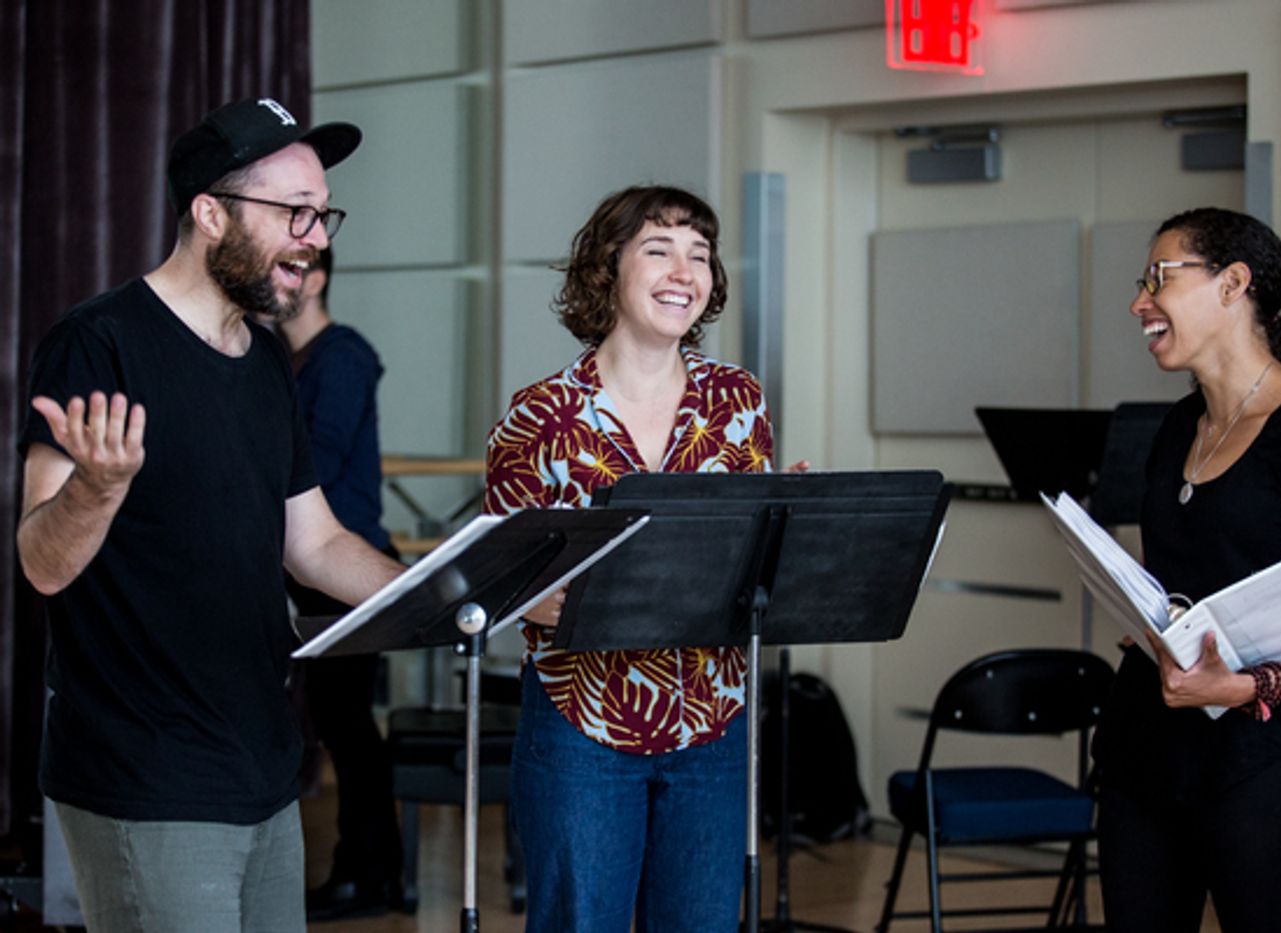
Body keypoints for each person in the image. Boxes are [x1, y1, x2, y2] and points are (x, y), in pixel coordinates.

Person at [15, 97, 404, 933]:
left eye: (322, 213)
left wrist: (448, 591)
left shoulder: (266, 355)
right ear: (209, 213)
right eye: (294, 212)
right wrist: (97, 487)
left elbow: (318, 541)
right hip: (148, 770)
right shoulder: (98, 343)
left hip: (263, 763)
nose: (318, 235)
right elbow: (42, 560)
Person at [1094, 207, 1281, 933]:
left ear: (1233, 284)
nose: (1140, 301)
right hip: (1146, 752)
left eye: (1159, 278)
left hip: (1259, 763)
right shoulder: (1176, 426)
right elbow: (1180, 570)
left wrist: (1245, 684)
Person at [484, 185, 775, 932]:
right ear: (607, 268)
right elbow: (505, 584)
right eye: (659, 249)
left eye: (699, 254)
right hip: (583, 726)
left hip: (714, 718)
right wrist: (608, 592)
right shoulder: (536, 417)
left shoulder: (738, 401)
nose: (685, 270)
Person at [268, 248, 405, 921]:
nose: (275, 283)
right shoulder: (280, 358)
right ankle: (370, 872)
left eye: (290, 270)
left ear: (316, 279)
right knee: (340, 726)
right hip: (313, 565)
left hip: (348, 563)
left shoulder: (342, 355)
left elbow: (314, 460)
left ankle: (370, 875)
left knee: (349, 728)